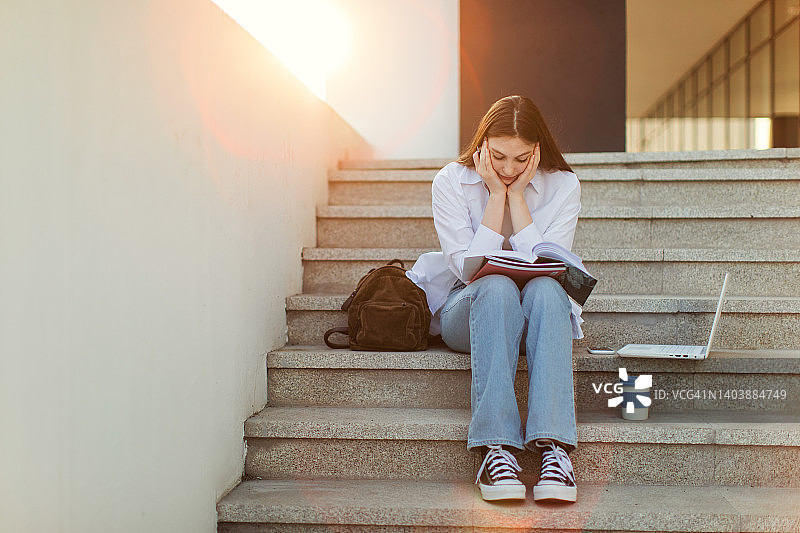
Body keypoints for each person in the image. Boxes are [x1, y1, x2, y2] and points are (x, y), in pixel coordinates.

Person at [407, 95, 582, 503]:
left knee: (545, 289)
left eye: (521, 160)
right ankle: (496, 449)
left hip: (539, 317)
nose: (507, 169)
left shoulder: (563, 185)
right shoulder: (450, 181)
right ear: (483, 144)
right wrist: (495, 196)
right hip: (468, 312)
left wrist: (517, 197)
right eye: (499, 156)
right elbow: (468, 270)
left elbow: (548, 264)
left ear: (538, 151)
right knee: (497, 286)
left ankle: (555, 451)